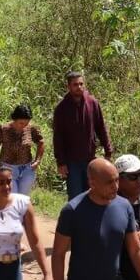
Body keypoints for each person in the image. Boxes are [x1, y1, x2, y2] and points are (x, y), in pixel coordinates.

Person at [51, 71, 112, 200]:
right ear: (68, 86)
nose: (79, 87)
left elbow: (101, 127)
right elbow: (58, 137)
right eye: (75, 85)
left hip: (90, 158)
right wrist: (60, 162)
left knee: (93, 193)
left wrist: (108, 151)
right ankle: (74, 220)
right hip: (71, 161)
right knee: (75, 196)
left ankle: (90, 220)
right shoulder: (61, 109)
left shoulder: (92, 103)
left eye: (81, 84)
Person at [0, 105, 45, 196]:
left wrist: (37, 161)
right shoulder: (3, 129)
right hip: (8, 169)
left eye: (26, 123)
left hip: (27, 169)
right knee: (12, 197)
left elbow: (41, 142)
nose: (24, 126)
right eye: (21, 123)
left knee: (22, 198)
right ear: (15, 119)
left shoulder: (31, 128)